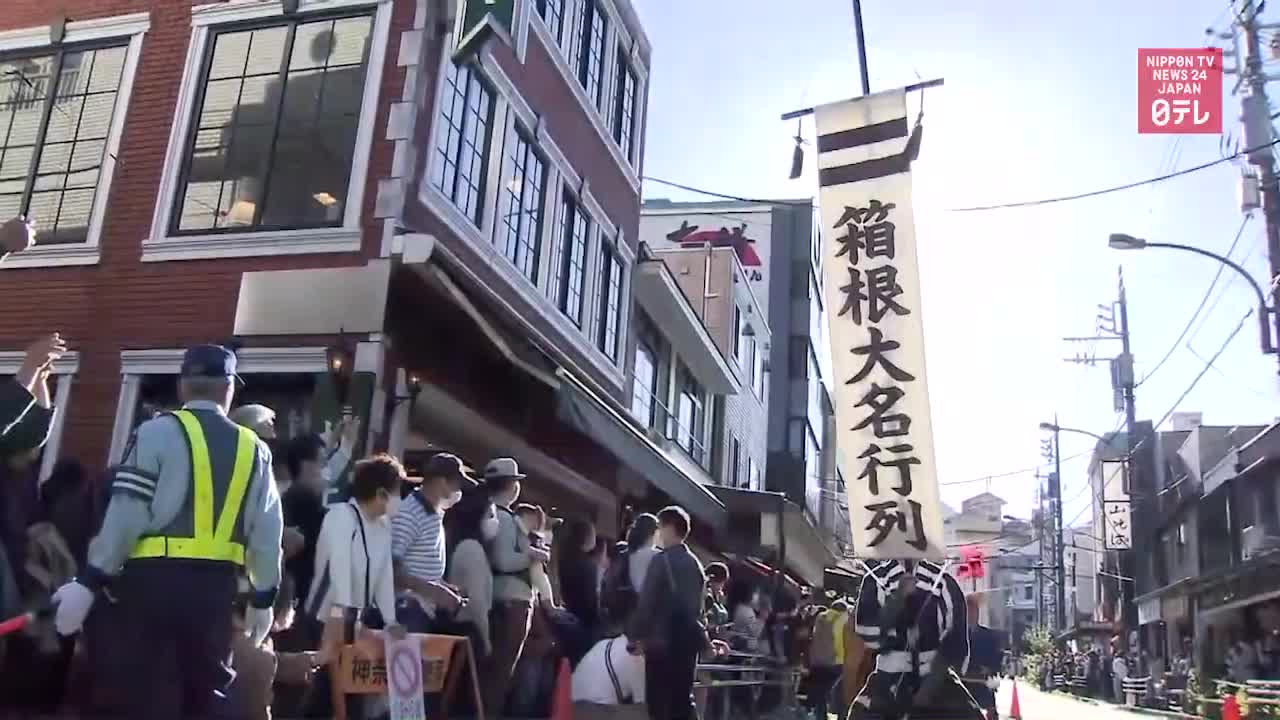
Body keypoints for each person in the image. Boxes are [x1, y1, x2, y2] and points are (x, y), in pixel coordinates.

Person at [51, 344, 283, 720]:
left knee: (141, 692)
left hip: (150, 585)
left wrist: (89, 580)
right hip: (215, 591)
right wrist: (263, 597)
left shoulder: (154, 433)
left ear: (183, 387)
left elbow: (125, 515)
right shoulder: (254, 450)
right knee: (204, 694)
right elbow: (267, 533)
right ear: (229, 389)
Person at [306, 453, 404, 720]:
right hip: (325, 619)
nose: (400, 499)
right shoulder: (341, 516)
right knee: (322, 699)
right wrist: (349, 625)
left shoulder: (384, 527)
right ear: (381, 492)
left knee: (351, 702)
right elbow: (339, 574)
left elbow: (384, 578)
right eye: (397, 492)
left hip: (355, 621)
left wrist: (391, 620)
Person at [629, 506, 725, 720]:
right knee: (682, 699)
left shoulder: (661, 561)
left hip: (660, 643)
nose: (659, 533)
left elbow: (647, 603)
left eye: (660, 526)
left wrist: (635, 636)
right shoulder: (697, 565)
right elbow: (700, 610)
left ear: (671, 528)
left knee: (658, 703)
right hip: (687, 644)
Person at [850, 559, 978, 718]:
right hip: (888, 676)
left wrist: (929, 685)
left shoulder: (943, 581)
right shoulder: (876, 578)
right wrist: (897, 600)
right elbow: (868, 631)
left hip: (934, 676)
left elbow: (955, 640)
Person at [482, 457, 547, 717]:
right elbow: (504, 560)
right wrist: (533, 556)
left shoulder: (488, 513)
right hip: (513, 601)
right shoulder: (506, 519)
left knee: (495, 669)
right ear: (510, 485)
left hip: (496, 597)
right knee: (501, 672)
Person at [390, 452, 470, 632]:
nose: (459, 491)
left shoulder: (433, 514)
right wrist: (433, 591)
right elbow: (390, 569)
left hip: (423, 611)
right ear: (442, 483)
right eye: (456, 485)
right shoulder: (409, 514)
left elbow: (419, 565)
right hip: (405, 612)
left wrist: (442, 586)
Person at [571, 633, 645, 707]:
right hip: (595, 709)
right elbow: (642, 705)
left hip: (569, 702)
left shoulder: (603, 643)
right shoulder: (637, 659)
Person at [805, 600, 849, 720]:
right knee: (838, 693)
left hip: (817, 662)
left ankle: (819, 716)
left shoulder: (820, 618)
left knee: (820, 694)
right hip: (835, 662)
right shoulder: (843, 619)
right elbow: (840, 641)